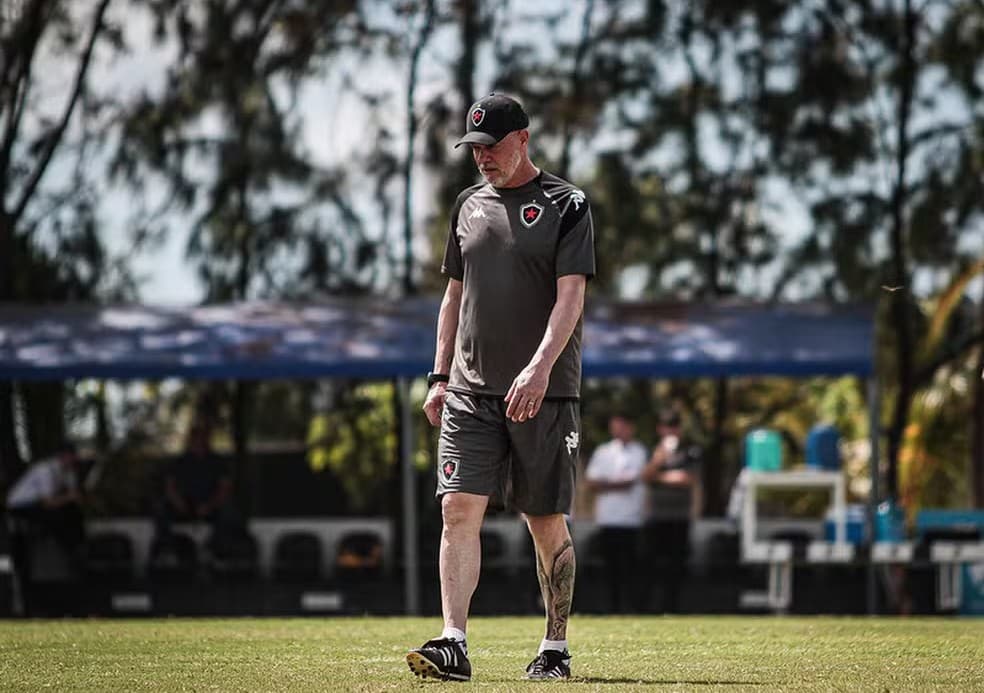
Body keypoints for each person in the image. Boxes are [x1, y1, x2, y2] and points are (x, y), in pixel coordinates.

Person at [406, 93, 595, 682]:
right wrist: (439, 376)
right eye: (474, 149)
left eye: (491, 147)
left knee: (544, 519)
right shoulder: (466, 206)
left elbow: (571, 298)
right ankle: (453, 643)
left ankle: (555, 648)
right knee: (458, 509)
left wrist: (538, 369)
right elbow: (453, 297)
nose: (482, 158)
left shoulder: (568, 204)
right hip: (469, 391)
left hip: (545, 392)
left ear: (523, 139)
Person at [6, 442, 86, 612]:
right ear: (62, 456)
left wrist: (74, 500)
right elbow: (48, 503)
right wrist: (70, 498)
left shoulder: (69, 473)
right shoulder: (45, 470)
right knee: (56, 515)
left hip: (44, 508)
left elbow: (73, 500)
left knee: (71, 513)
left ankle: (75, 547)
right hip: (21, 508)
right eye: (70, 457)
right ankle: (65, 542)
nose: (72, 460)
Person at [584, 413, 647, 613]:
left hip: (632, 519)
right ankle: (612, 606)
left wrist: (609, 484)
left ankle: (630, 607)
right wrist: (618, 484)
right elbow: (592, 482)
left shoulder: (640, 451)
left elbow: (641, 478)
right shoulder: (604, 452)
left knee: (631, 567)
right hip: (608, 519)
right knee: (610, 567)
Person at [640, 409, 702, 613]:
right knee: (652, 563)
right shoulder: (654, 451)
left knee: (676, 564)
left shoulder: (690, 450)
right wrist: (659, 460)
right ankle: (650, 607)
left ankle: (673, 607)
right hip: (656, 516)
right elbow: (645, 476)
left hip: (679, 517)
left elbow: (687, 479)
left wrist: (660, 477)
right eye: (667, 427)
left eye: (674, 427)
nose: (671, 432)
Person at [154, 424, 234, 539]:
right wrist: (179, 504)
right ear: (190, 440)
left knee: (228, 512)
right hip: (184, 506)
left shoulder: (218, 462)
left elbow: (225, 489)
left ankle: (216, 547)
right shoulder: (179, 462)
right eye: (195, 438)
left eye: (202, 438)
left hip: (210, 506)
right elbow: (169, 488)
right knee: (161, 509)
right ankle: (167, 545)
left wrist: (210, 505)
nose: (198, 442)